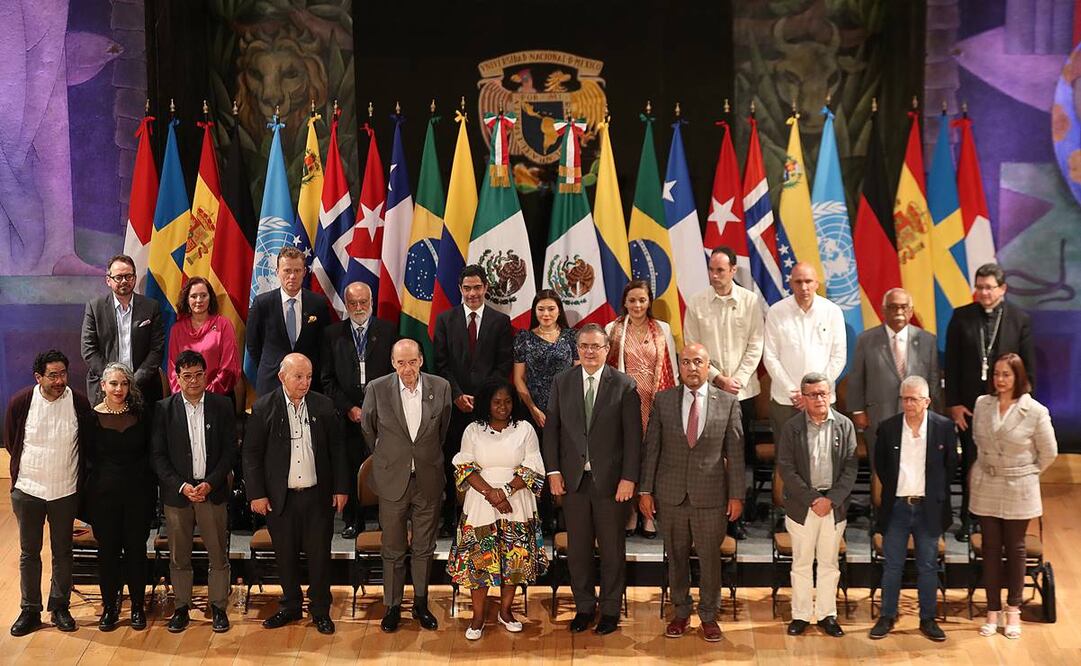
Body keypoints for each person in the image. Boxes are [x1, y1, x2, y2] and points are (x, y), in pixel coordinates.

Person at [639, 343, 744, 643]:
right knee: (677, 557)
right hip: (670, 495)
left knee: (710, 559)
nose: (692, 367)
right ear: (679, 366)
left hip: (711, 497)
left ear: (708, 365)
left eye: (698, 361)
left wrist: (737, 495)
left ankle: (709, 616)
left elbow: (735, 454)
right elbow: (652, 449)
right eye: (686, 362)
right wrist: (645, 490)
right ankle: (681, 612)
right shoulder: (664, 400)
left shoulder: (727, 402)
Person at [542, 323, 642, 635]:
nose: (589, 352)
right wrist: (553, 471)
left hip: (611, 484)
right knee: (579, 550)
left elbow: (633, 438)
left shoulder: (624, 385)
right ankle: (584, 607)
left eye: (595, 347)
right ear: (577, 349)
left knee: (612, 550)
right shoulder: (562, 382)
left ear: (607, 350)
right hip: (572, 482)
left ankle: (610, 611)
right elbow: (552, 431)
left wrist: (629, 478)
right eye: (583, 346)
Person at [242, 353, 349, 634]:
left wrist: (340, 488)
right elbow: (251, 455)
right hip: (281, 498)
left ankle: (320, 610)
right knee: (285, 555)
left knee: (319, 556)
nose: (305, 383)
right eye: (298, 377)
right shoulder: (264, 407)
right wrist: (256, 494)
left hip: (317, 495)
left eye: (309, 376)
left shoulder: (323, 405)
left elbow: (337, 450)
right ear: (282, 377)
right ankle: (290, 605)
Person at [361, 339, 452, 633]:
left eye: (412, 362)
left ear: (421, 361)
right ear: (392, 363)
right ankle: (393, 606)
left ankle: (421, 604)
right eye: (401, 363)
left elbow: (443, 429)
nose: (407, 369)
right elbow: (368, 428)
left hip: (428, 479)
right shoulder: (377, 388)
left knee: (424, 548)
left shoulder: (441, 387)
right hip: (391, 480)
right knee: (393, 548)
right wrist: (390, 457)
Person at [448, 379, 548, 640]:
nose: (502, 407)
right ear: (486, 404)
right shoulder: (472, 430)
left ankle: (506, 611)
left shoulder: (525, 429)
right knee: (480, 561)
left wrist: (504, 492)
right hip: (481, 503)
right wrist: (491, 494)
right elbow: (465, 467)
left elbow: (534, 466)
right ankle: (478, 616)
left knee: (512, 559)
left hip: (516, 502)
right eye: (496, 402)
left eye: (507, 401)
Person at [5, 350, 95, 637]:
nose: (59, 381)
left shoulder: (79, 402)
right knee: (29, 552)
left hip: (65, 490)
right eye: (53, 375)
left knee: (63, 551)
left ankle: (59, 606)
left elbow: (87, 444)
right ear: (38, 377)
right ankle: (30, 609)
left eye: (63, 374)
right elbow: (11, 441)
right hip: (28, 490)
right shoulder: (22, 402)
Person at [945, 262, 1035, 541]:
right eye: (980, 287)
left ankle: (1001, 520)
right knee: (973, 462)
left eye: (989, 287)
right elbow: (952, 363)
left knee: (1004, 463)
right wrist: (954, 403)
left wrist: (1024, 405)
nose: (983, 293)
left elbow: (1028, 367)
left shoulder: (1019, 319)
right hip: (971, 407)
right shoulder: (961, 317)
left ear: (1002, 289)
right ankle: (970, 519)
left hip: (1008, 406)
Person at [970, 353, 1057, 640]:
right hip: (987, 483)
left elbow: (1049, 452)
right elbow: (977, 442)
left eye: (1006, 374)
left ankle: (1013, 611)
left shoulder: (1035, 411)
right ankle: (991, 611)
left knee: (1016, 548)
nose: (1000, 380)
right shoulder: (983, 405)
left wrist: (1026, 472)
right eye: (996, 374)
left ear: (1018, 376)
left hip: (1019, 486)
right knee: (991, 548)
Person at [151, 350, 237, 633]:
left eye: (199, 375)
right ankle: (181, 607)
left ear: (206, 375)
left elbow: (229, 452)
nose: (193, 381)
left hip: (211, 491)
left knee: (217, 554)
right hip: (179, 495)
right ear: (177, 378)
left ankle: (218, 607)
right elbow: (158, 456)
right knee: (179, 556)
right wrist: (182, 485)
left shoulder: (222, 406)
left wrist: (210, 482)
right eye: (187, 376)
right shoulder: (164, 409)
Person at [682, 246, 764, 539]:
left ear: (733, 270)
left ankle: (739, 518)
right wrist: (718, 378)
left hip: (743, 393)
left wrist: (737, 380)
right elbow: (691, 345)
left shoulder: (750, 301)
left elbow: (756, 343)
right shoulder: (697, 302)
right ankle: (709, 515)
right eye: (711, 270)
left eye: (721, 270)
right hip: (710, 391)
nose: (715, 275)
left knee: (741, 457)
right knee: (711, 457)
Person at [869, 375, 958, 642]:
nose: (907, 404)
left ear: (927, 401)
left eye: (913, 399)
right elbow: (881, 466)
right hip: (897, 507)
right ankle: (887, 615)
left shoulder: (943, 427)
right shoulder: (888, 428)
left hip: (928, 508)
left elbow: (950, 466)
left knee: (928, 566)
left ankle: (928, 618)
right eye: (904, 399)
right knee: (892, 565)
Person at [776, 372, 859, 638]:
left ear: (831, 395)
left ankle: (826, 615)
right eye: (813, 395)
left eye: (824, 393)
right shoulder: (792, 428)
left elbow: (850, 468)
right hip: (803, 506)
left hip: (833, 507)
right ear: (803, 397)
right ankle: (800, 614)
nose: (820, 399)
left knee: (828, 564)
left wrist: (830, 500)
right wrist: (813, 499)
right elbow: (787, 469)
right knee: (801, 563)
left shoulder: (845, 426)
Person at [433, 264, 514, 535]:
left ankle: (488, 513)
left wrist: (482, 399)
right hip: (455, 408)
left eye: (477, 287)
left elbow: (503, 365)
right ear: (460, 289)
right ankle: (450, 517)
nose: (472, 293)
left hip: (489, 408)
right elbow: (440, 364)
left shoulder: (500, 322)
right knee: (453, 461)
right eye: (467, 288)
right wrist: (456, 395)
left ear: (486, 288)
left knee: (486, 463)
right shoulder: (445, 320)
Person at [321, 281, 397, 539]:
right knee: (350, 466)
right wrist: (349, 408)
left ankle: (386, 521)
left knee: (385, 468)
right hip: (348, 415)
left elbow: (395, 376)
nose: (358, 307)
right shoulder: (332, 334)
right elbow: (327, 379)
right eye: (353, 303)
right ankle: (354, 520)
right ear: (346, 304)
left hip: (383, 415)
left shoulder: (388, 331)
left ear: (372, 302)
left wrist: (378, 408)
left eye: (363, 302)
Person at [605, 279, 677, 539]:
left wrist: (673, 404)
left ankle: (648, 515)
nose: (637, 305)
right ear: (624, 302)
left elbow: (673, 370)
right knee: (628, 457)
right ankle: (630, 513)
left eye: (642, 300)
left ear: (649, 302)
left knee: (652, 458)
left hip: (656, 403)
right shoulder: (612, 329)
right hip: (624, 404)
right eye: (632, 300)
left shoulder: (663, 329)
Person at [87, 362, 156, 632]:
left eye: (124, 383)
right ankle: (110, 608)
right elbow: (87, 460)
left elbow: (151, 455)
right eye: (113, 383)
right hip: (103, 498)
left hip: (137, 495)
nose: (119, 389)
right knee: (108, 553)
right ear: (103, 385)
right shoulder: (90, 418)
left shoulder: (143, 414)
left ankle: (138, 607)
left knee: (136, 552)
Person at [848, 288, 940, 468]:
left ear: (911, 311)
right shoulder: (866, 340)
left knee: (915, 467)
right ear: (883, 310)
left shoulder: (927, 340)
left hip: (917, 417)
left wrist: (934, 413)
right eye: (893, 307)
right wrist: (858, 411)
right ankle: (879, 497)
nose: (898, 312)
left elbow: (933, 378)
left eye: (903, 307)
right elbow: (857, 377)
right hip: (878, 416)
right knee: (882, 469)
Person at [512, 289, 578, 533]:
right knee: (538, 465)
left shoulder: (572, 337)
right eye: (541, 309)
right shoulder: (524, 339)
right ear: (534, 312)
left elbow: (578, 374)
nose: (546, 313)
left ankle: (565, 515)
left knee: (567, 462)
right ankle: (541, 516)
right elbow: (519, 379)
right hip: (534, 413)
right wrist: (534, 409)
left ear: (559, 310)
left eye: (551, 308)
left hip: (568, 413)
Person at [762, 262, 846, 448]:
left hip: (822, 399)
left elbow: (838, 356)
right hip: (786, 400)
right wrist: (794, 391)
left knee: (825, 456)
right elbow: (770, 356)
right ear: (790, 284)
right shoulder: (776, 311)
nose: (804, 287)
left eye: (808, 281)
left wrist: (813, 393)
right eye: (798, 282)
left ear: (817, 283)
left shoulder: (832, 312)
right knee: (787, 459)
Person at [245, 247, 332, 396]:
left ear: (304, 272)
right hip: (272, 383)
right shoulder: (262, 304)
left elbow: (324, 344)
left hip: (309, 385)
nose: (292, 276)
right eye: (287, 271)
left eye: (297, 271)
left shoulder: (318, 304)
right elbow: (253, 345)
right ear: (277, 271)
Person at [81, 253, 165, 404]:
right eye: (118, 277)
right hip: (105, 388)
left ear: (135, 278)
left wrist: (133, 382)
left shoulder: (151, 307)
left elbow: (157, 349)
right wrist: (114, 381)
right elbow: (89, 349)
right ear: (108, 280)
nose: (124, 281)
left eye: (128, 276)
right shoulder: (95, 307)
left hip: (143, 387)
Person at [166, 276, 240, 398]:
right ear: (186, 300)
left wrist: (206, 395)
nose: (199, 300)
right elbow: (173, 369)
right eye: (194, 296)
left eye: (203, 295)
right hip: (185, 399)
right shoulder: (176, 329)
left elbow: (229, 367)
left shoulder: (224, 325)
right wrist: (186, 394)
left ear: (210, 298)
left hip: (218, 397)